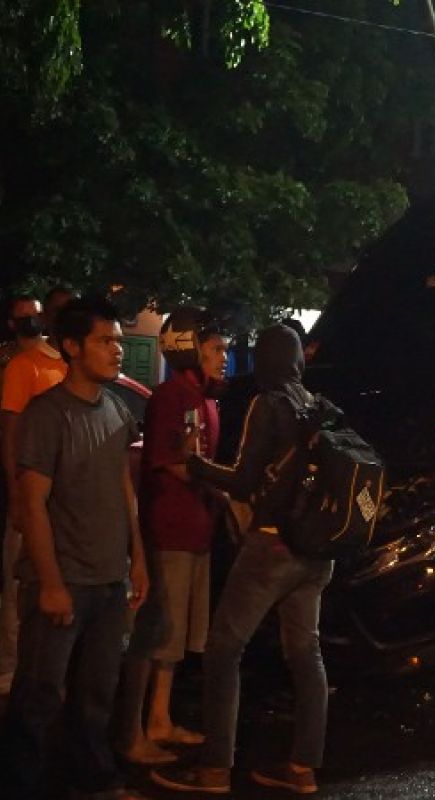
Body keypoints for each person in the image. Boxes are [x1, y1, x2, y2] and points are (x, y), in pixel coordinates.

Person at [152, 324, 333, 796]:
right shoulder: (315, 406)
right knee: (306, 653)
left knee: (224, 649)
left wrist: (194, 463)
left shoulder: (269, 403)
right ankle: (302, 769)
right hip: (317, 551)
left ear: (264, 361)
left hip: (273, 546)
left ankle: (214, 769)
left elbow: (244, 480)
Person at [0, 296, 149, 800]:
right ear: (71, 346)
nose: (117, 350)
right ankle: (19, 786)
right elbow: (33, 503)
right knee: (37, 697)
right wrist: (51, 583)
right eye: (105, 340)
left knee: (96, 696)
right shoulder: (47, 415)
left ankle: (93, 781)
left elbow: (125, 493)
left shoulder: (116, 409)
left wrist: (138, 561)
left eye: (119, 342)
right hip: (62, 580)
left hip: (110, 579)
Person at [116, 308, 229, 765]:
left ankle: (159, 719)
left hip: (197, 533)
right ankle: (134, 730)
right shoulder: (171, 396)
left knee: (177, 638)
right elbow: (170, 463)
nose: (224, 357)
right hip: (169, 532)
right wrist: (227, 488)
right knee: (156, 634)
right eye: (216, 349)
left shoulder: (206, 400)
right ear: (188, 349)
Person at [0, 289, 74, 695]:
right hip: (30, 492)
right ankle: (12, 666)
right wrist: (15, 493)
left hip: (63, 499)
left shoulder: (65, 364)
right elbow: (11, 432)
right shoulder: (20, 366)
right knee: (18, 580)